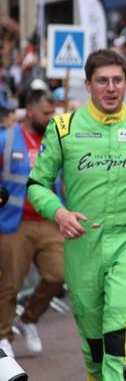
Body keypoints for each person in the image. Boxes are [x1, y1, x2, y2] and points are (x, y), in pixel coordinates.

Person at [27, 49, 126, 380]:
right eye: (102, 81)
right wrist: (59, 213)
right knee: (93, 345)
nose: (110, 88)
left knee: (119, 330)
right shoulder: (63, 128)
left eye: (117, 80)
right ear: (88, 85)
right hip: (82, 244)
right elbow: (36, 184)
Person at [0, 90, 60, 359]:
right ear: (31, 111)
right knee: (10, 283)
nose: (51, 118)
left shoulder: (54, 139)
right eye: (46, 114)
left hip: (49, 220)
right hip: (15, 223)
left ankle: (29, 319)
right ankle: (3, 337)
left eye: (53, 113)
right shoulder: (7, 138)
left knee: (59, 275)